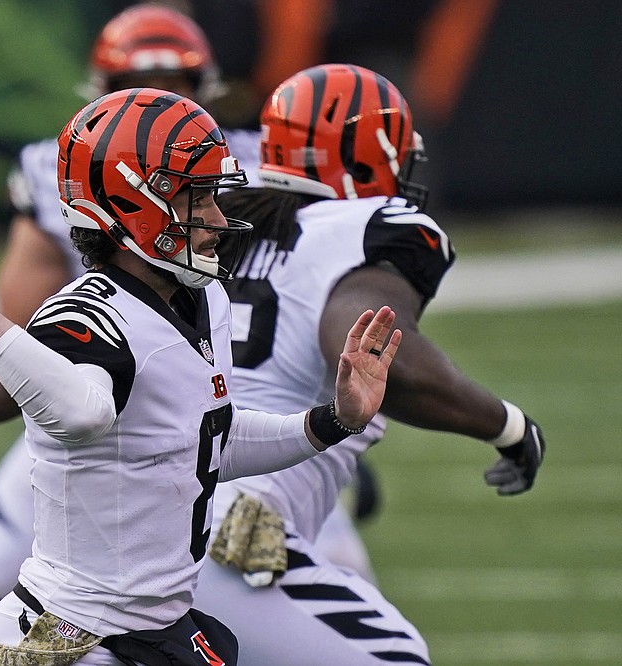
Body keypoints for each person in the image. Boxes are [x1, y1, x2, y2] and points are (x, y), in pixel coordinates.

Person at [0, 85, 402, 666]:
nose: (217, 218)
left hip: (157, 629)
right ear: (134, 206)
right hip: (69, 637)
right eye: (197, 199)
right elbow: (82, 412)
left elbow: (212, 440)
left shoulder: (207, 300)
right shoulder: (84, 311)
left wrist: (333, 421)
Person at [186, 63, 546, 664]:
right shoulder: (362, 228)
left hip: (139, 523)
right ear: (369, 158)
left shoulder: (217, 224)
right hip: (231, 536)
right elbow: (374, 351)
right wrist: (506, 424)